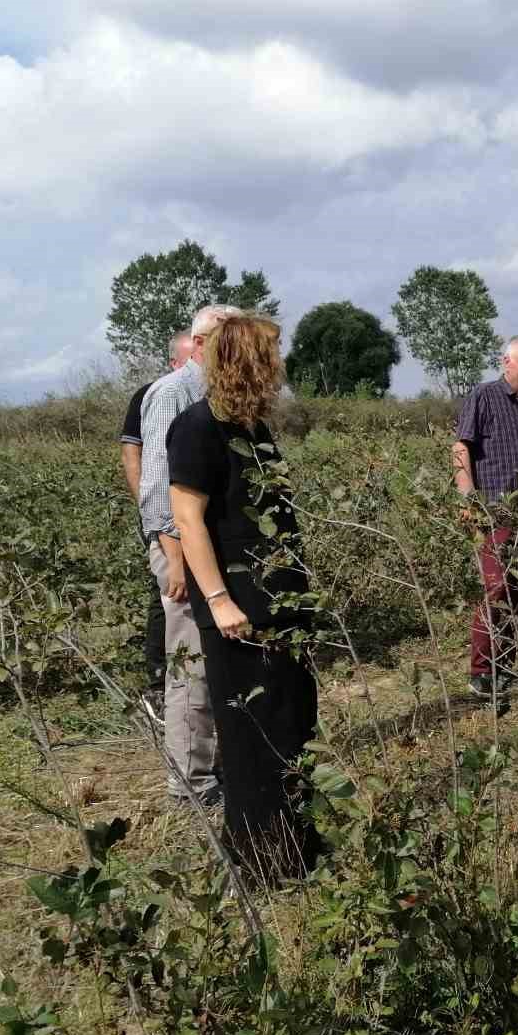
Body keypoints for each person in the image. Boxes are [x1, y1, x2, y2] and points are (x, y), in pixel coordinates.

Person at [168, 310, 319, 882]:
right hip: (239, 604)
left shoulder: (252, 428)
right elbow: (188, 518)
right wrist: (219, 600)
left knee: (291, 720)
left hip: (280, 601)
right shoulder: (197, 427)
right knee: (253, 732)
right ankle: (263, 866)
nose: (280, 367)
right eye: (272, 355)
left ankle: (297, 849)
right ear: (248, 361)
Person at [140, 306, 240, 805]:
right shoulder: (172, 393)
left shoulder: (221, 395)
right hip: (178, 549)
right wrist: (175, 560)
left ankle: (212, 765)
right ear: (201, 345)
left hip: (206, 548)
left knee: (212, 661)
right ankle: (190, 784)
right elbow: (158, 490)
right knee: (190, 665)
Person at [452, 336, 518, 702]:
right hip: (495, 511)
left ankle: (506, 665)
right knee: (496, 590)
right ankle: (481, 673)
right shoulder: (483, 396)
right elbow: (461, 446)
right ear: (506, 362)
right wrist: (467, 498)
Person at [121, 331, 192, 705]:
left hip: (192, 511)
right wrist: (150, 510)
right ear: (172, 363)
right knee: (167, 592)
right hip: (160, 510)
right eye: (183, 361)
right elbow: (133, 456)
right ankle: (158, 682)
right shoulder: (155, 394)